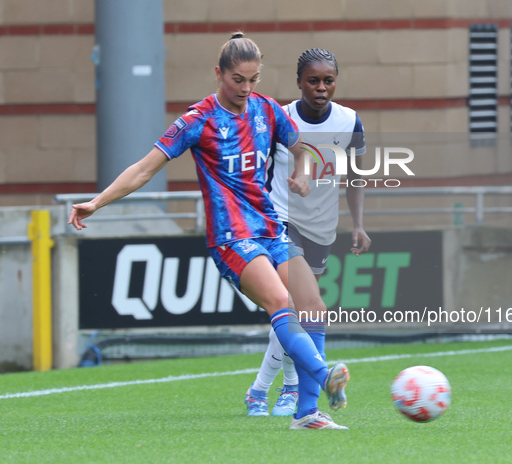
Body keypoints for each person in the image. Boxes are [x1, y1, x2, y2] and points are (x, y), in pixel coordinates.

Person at [68, 33, 350, 431]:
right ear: (219, 74)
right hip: (232, 236)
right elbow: (144, 168)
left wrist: (302, 174)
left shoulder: (267, 111)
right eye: (238, 80)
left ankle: (307, 415)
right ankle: (324, 378)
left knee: (313, 307)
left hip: (271, 227)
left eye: (253, 79)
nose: (246, 89)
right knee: (279, 302)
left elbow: (302, 147)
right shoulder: (197, 120)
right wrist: (96, 202)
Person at [244, 49, 371, 423]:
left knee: (297, 312)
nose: (321, 88)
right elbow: (254, 170)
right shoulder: (279, 118)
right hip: (280, 221)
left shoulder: (349, 121)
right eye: (313, 80)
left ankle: (261, 391)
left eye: (328, 80)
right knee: (302, 308)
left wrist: (358, 224)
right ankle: (297, 394)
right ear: (299, 82)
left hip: (321, 226)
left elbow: (356, 178)